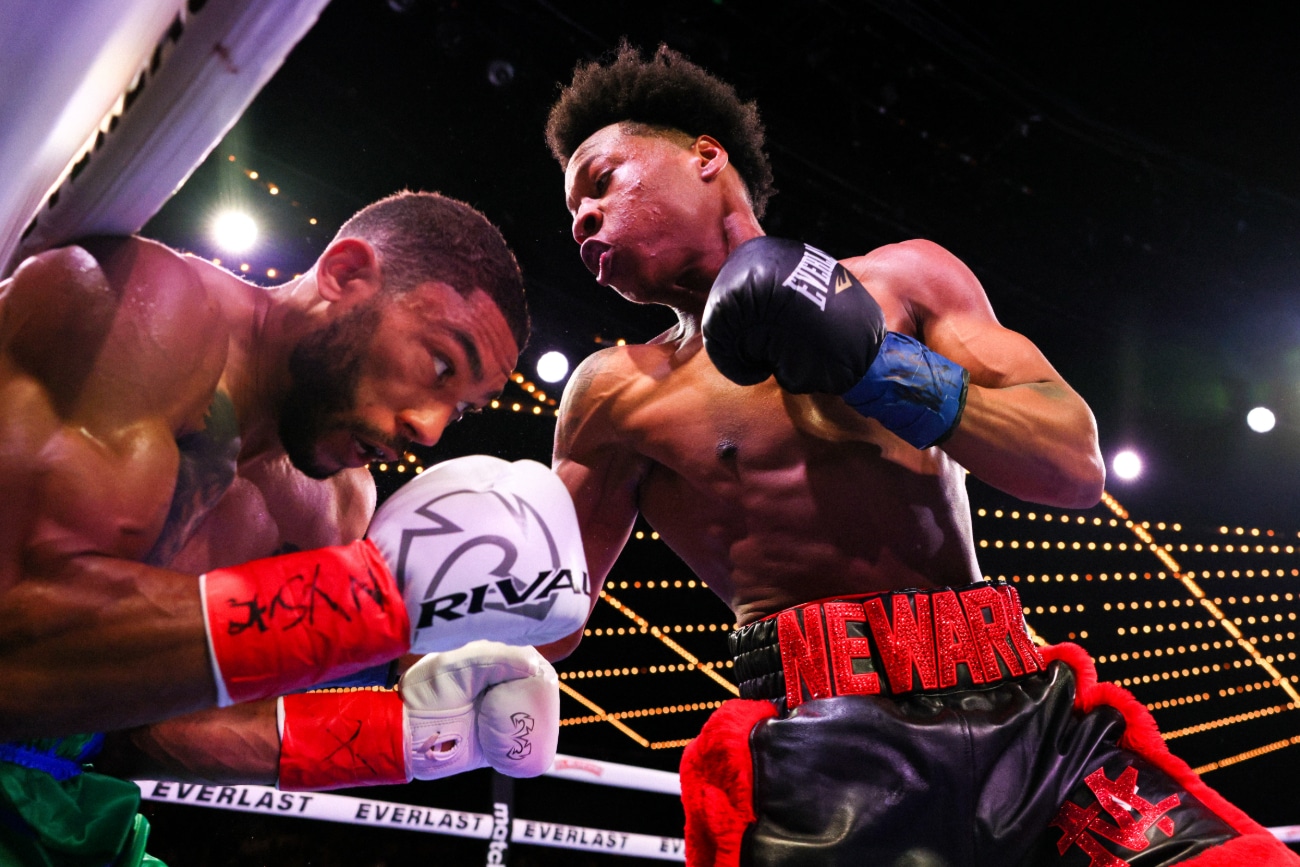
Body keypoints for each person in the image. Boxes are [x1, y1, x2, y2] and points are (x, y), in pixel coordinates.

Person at [541, 44, 1299, 867]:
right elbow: (543, 618)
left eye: (602, 181)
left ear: (705, 156)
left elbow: (1075, 464)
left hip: (1026, 724)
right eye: (572, 208)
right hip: (826, 753)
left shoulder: (902, 282)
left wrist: (877, 367)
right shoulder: (613, 393)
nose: (581, 219)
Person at [0, 190, 592, 866]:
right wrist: (357, 601)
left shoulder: (336, 503)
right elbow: (11, 644)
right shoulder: (151, 312)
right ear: (344, 273)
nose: (429, 429)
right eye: (438, 365)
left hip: (65, 804)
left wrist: (408, 736)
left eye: (459, 411)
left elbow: (136, 725)